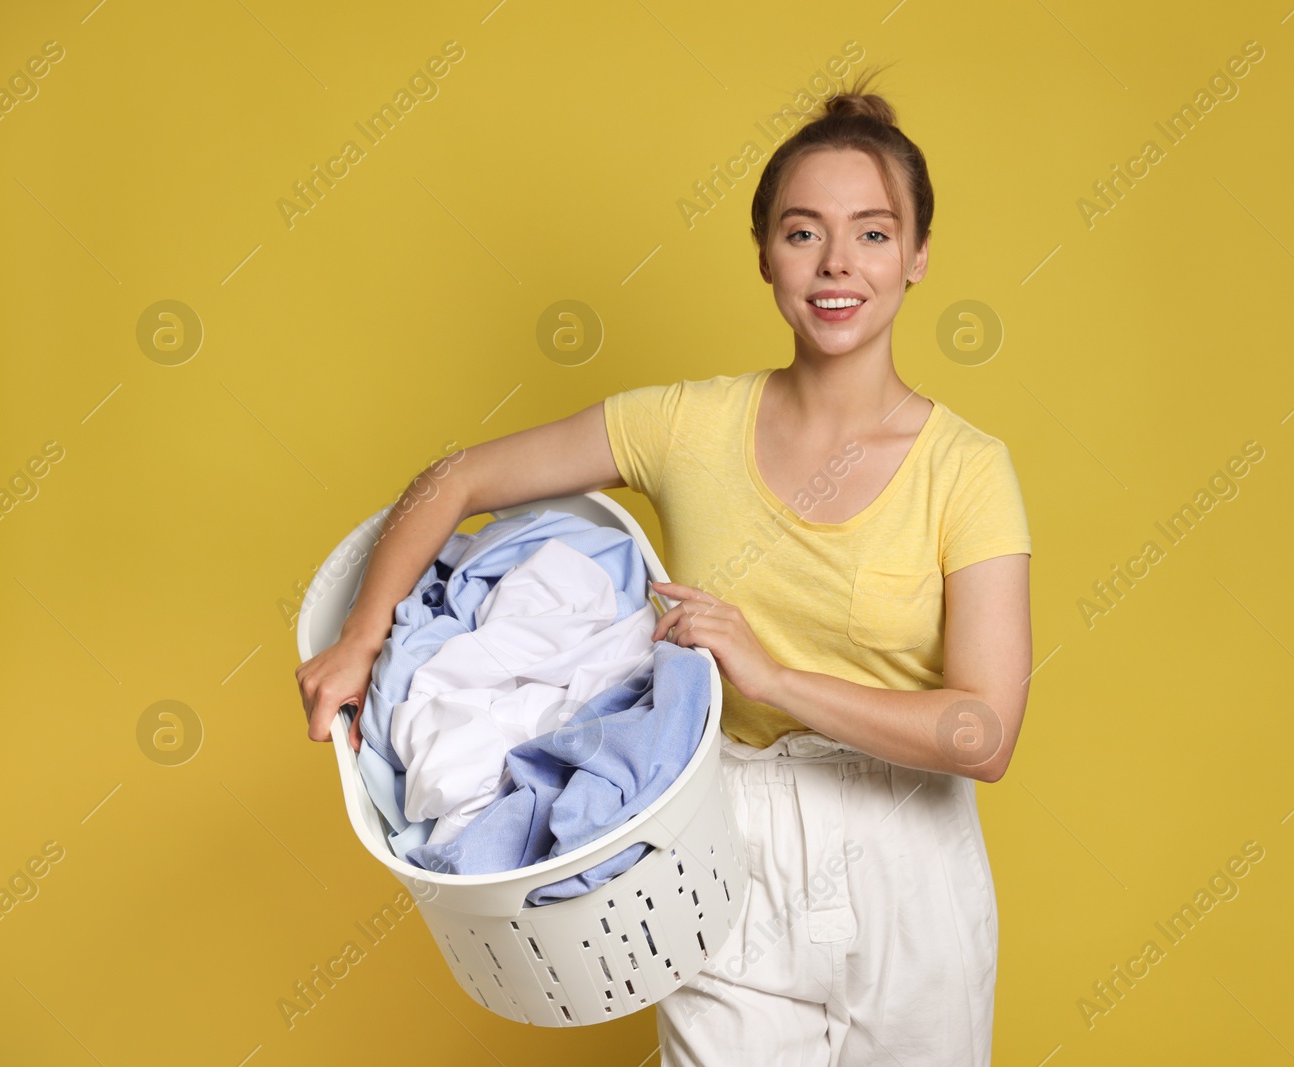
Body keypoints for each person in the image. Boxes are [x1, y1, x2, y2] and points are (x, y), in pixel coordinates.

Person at [295, 68, 1031, 1066]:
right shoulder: (686, 425)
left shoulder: (967, 470)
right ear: (766, 254)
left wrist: (771, 677)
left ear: (917, 256)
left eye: (872, 230)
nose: (835, 262)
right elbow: (457, 477)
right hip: (718, 842)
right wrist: (361, 633)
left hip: (909, 858)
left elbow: (981, 730)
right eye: (802, 229)